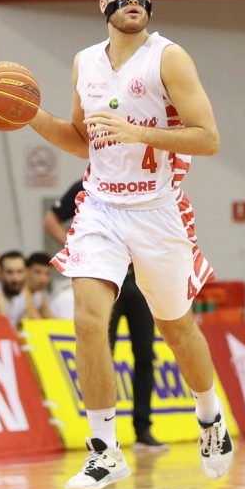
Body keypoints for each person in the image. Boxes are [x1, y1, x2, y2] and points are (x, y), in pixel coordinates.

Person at [27, 0, 231, 489]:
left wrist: (140, 134)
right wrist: (31, 116)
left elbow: (208, 138)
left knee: (176, 328)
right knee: (88, 320)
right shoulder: (85, 62)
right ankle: (105, 449)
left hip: (157, 210)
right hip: (101, 206)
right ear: (104, 5)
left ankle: (209, 415)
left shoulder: (169, 57)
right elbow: (82, 141)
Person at [47, 179, 164, 450]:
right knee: (100, 348)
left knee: (145, 354)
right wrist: (78, 250)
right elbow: (50, 220)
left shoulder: (144, 182)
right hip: (105, 275)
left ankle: (143, 429)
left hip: (139, 277)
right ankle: (103, 435)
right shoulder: (88, 183)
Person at [0, 250, 29, 328]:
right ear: (0, 273)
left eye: (19, 272)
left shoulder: (21, 296)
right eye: (9, 272)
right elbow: (5, 325)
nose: (15, 278)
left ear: (26, 272)